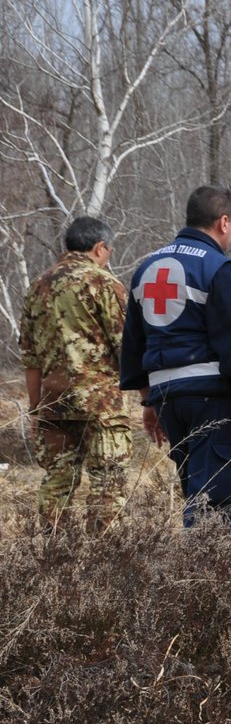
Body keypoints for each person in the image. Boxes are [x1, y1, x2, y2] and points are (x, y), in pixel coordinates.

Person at [121, 186, 231, 527]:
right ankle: (203, 578)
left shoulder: (146, 268)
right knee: (214, 503)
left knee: (195, 491)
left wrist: (148, 403)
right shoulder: (219, 269)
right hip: (212, 400)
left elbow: (133, 345)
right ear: (223, 222)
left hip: (168, 402)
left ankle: (195, 573)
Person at [19, 216, 132, 531]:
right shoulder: (106, 284)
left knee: (57, 482)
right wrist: (149, 396)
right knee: (108, 483)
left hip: (52, 402)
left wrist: (35, 408)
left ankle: (55, 560)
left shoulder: (37, 286)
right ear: (99, 248)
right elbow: (127, 349)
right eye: (109, 252)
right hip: (102, 406)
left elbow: (30, 358)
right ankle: (104, 562)